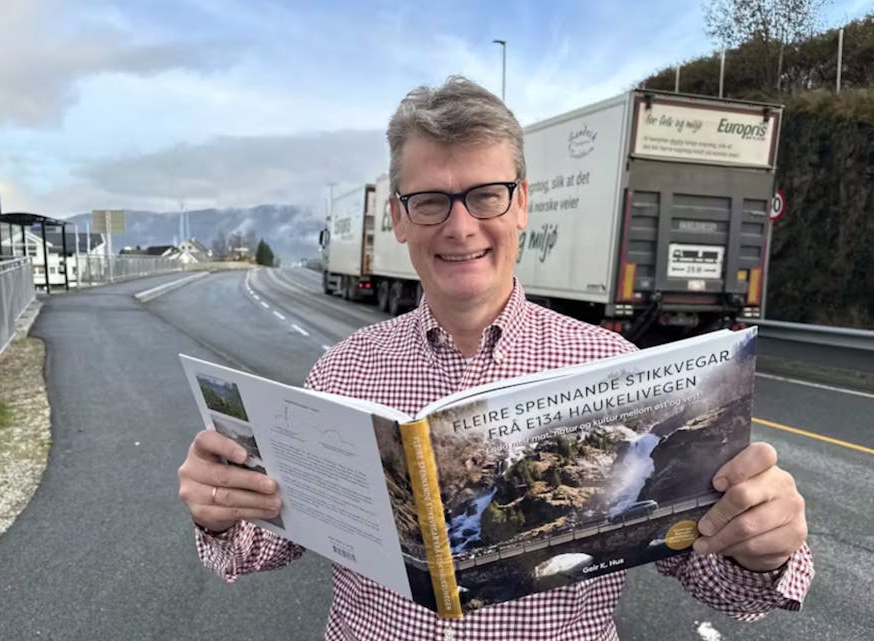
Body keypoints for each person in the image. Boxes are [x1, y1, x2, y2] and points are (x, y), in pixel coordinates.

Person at [177, 76, 813, 640]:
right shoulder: (341, 372)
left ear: (523, 205)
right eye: (430, 201)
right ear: (398, 219)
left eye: (486, 195)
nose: (459, 227)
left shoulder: (613, 364)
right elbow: (273, 541)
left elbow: (708, 574)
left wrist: (763, 548)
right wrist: (222, 510)